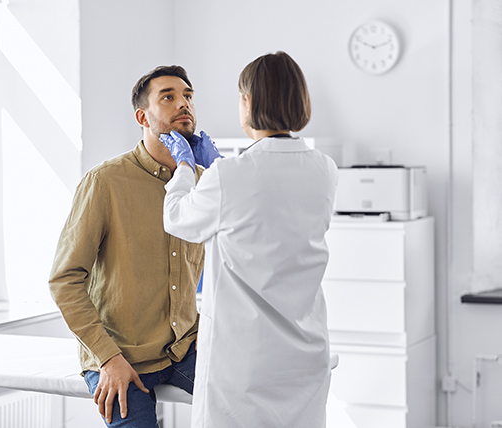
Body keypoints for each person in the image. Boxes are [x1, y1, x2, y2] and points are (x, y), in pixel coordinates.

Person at [160, 51, 338, 427]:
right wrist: (219, 168)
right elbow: (265, 203)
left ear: (248, 102)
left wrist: (186, 169)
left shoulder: (228, 176)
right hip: (304, 353)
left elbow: (178, 218)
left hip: (243, 362)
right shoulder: (325, 168)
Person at [49, 65, 206, 427]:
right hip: (121, 354)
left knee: (255, 409)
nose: (183, 104)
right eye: (167, 96)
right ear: (142, 116)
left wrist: (207, 329)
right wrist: (106, 358)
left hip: (184, 348)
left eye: (188, 96)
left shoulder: (202, 181)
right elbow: (64, 280)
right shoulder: (105, 182)